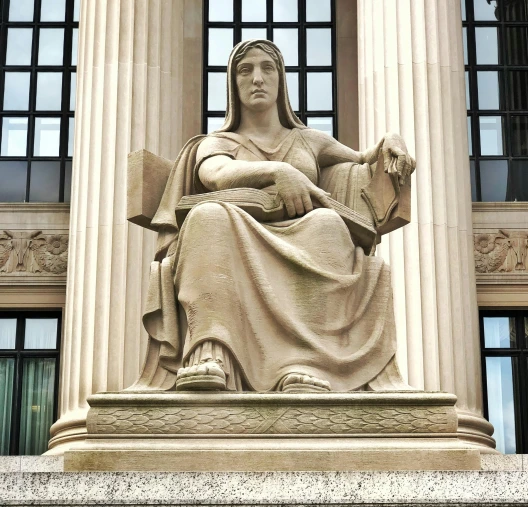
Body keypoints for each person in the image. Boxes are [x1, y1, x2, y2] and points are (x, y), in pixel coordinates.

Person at [140, 39, 416, 393]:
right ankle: (212, 353)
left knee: (327, 224)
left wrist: (392, 141)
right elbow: (217, 175)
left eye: (267, 68)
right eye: (245, 70)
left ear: (281, 80)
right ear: (233, 84)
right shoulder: (215, 141)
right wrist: (278, 172)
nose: (257, 78)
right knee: (207, 217)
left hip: (304, 231)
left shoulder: (309, 140)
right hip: (236, 229)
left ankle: (303, 365)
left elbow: (365, 159)